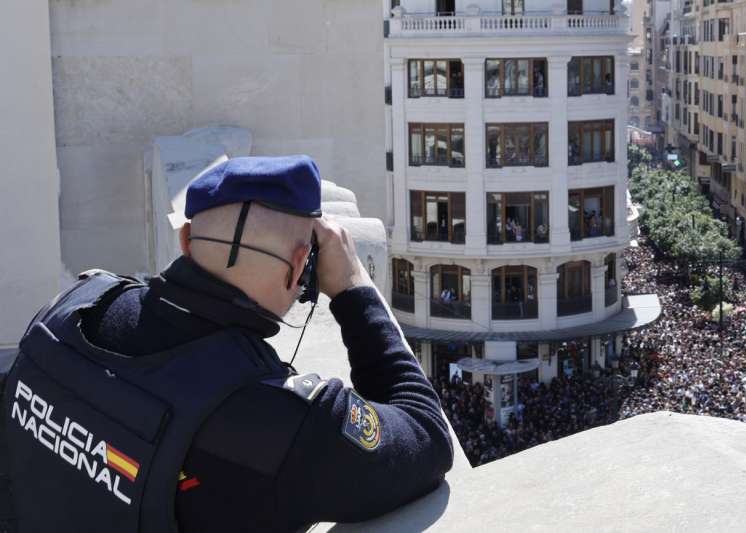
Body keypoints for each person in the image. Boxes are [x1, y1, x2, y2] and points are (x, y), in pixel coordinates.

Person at [1, 156, 453, 532]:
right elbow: (426, 435)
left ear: (185, 241)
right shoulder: (278, 420)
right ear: (301, 266)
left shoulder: (72, 307)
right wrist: (354, 288)